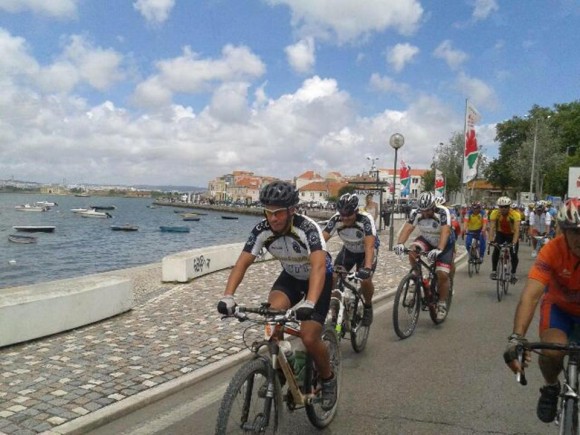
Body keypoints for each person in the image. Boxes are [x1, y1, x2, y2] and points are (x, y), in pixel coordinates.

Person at [216, 180, 337, 410]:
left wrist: (310, 302)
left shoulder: (307, 229)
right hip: (291, 277)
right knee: (272, 322)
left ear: (292, 210)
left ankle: (328, 379)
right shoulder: (262, 230)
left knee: (309, 336)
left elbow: (319, 267)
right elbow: (242, 263)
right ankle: (282, 371)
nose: (273, 218)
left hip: (318, 278)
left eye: (278, 212)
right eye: (268, 212)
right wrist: (228, 296)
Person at [503, 198, 580, 423]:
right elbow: (531, 294)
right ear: (564, 232)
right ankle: (550, 387)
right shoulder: (552, 250)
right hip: (560, 309)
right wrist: (516, 337)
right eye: (575, 232)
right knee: (552, 352)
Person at [394, 191, 454, 321]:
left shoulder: (443, 212)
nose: (425, 214)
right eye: (423, 211)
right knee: (412, 250)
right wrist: (400, 243)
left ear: (433, 206)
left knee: (442, 274)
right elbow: (408, 228)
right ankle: (416, 277)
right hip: (427, 238)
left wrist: (439, 249)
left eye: (428, 211)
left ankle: (442, 304)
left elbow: (445, 230)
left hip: (444, 241)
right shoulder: (416, 213)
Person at [322, 193, 379, 326]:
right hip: (348, 251)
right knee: (333, 276)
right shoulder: (336, 219)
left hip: (366, 251)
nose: (345, 218)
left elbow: (370, 246)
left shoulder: (365, 219)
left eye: (349, 214)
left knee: (365, 280)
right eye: (342, 214)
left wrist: (367, 268)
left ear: (356, 211)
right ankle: (335, 309)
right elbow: (321, 240)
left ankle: (368, 306)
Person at [488, 196, 521, 283]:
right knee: (496, 250)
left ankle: (513, 273)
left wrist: (514, 243)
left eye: (506, 207)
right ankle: (494, 271)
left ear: (509, 207)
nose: (503, 209)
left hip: (512, 234)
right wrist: (491, 240)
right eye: (501, 207)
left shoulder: (515, 214)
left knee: (514, 254)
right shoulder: (495, 213)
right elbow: (492, 227)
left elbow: (517, 230)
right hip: (500, 234)